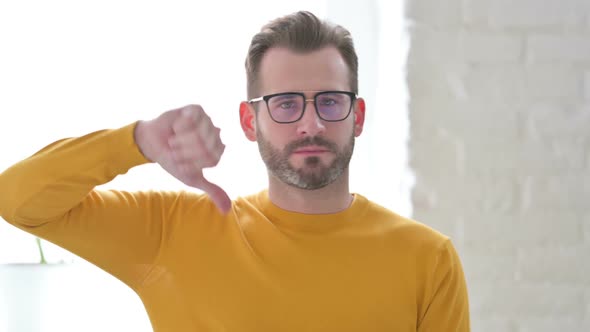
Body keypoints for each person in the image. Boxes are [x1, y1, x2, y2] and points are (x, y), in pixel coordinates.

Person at [0, 11, 470, 332]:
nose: (312, 123)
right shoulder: (174, 232)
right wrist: (139, 141)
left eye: (330, 100)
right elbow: (17, 200)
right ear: (251, 122)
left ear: (358, 115)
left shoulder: (426, 260)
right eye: (286, 103)